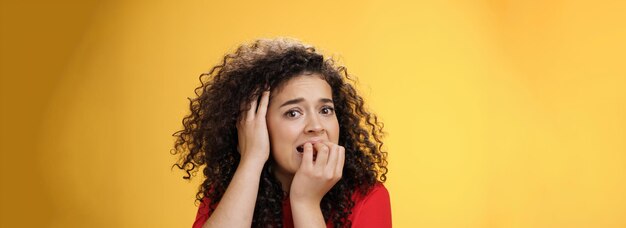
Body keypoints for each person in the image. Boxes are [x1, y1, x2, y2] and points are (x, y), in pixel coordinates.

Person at [172, 38, 390, 228]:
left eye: (325, 110)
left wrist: (306, 202)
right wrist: (252, 159)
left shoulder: (368, 197)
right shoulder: (228, 192)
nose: (316, 126)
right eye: (293, 113)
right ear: (255, 124)